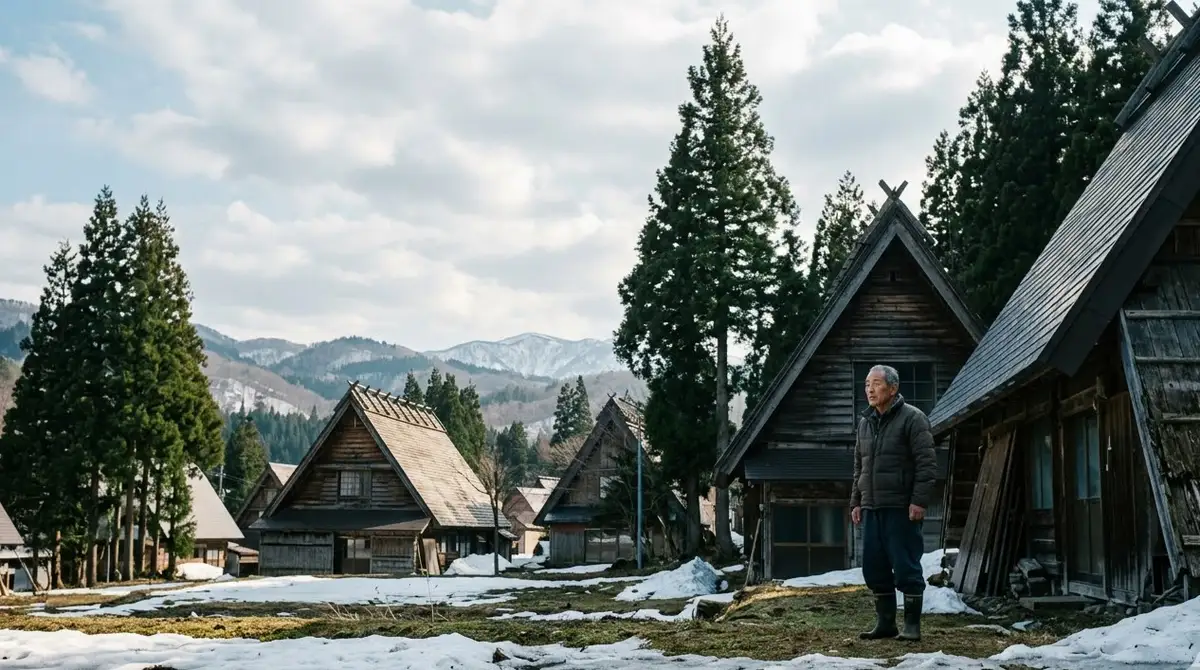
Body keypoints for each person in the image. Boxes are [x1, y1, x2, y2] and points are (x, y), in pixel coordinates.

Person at [850, 364, 938, 642]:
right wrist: (856, 502)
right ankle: (886, 624)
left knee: (905, 565)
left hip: (902, 508)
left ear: (893, 388)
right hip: (871, 507)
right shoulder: (865, 423)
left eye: (876, 384)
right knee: (874, 567)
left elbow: (927, 464)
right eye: (867, 384)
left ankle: (912, 627)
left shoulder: (913, 418)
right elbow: (859, 467)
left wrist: (919, 501)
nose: (870, 389)